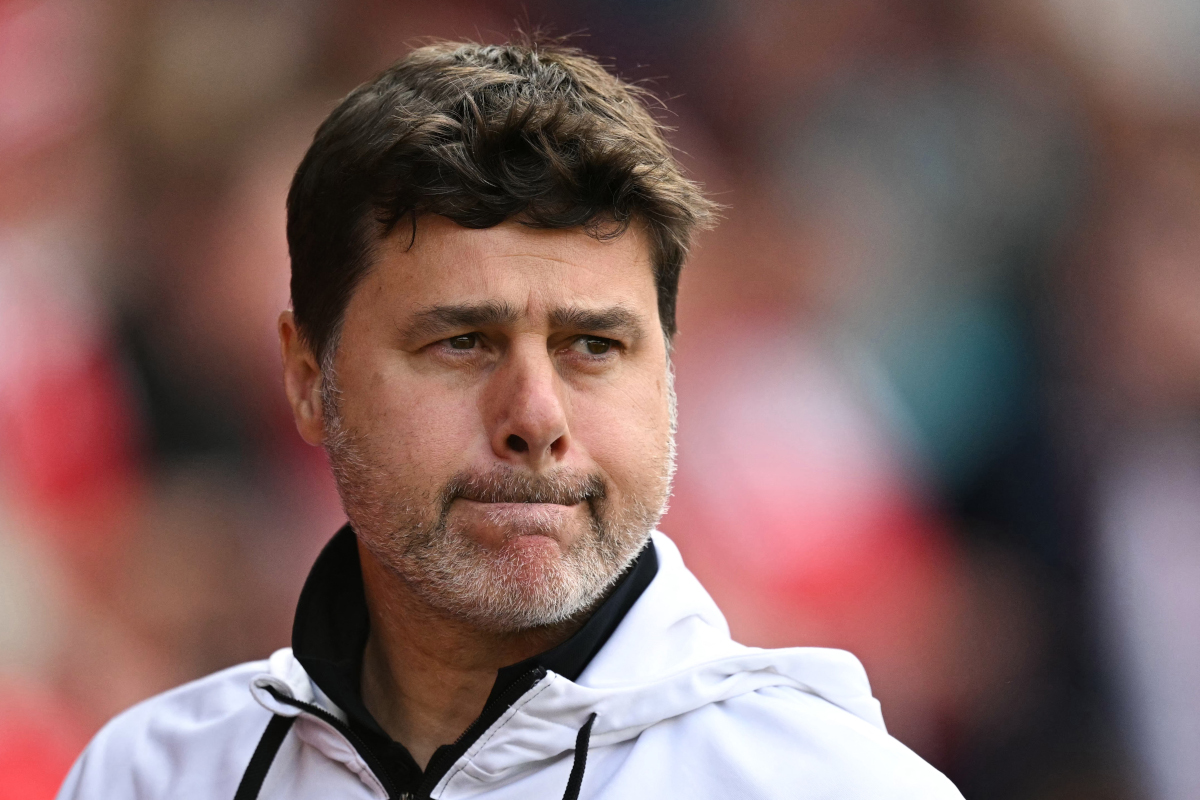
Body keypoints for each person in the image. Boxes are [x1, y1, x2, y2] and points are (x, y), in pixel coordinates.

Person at [57, 39, 963, 799]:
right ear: (306, 378)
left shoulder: (837, 786)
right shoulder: (146, 777)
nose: (536, 417)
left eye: (594, 348)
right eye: (462, 343)